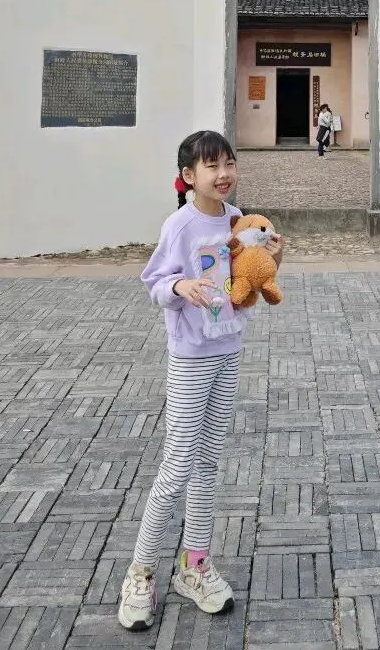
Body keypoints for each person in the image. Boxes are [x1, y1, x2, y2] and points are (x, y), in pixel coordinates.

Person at [118, 130, 284, 631]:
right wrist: (180, 285)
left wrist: (275, 257)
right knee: (177, 465)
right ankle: (140, 573)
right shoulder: (180, 225)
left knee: (209, 462)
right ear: (189, 176)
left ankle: (194, 566)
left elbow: (251, 274)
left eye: (229, 162)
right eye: (212, 166)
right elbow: (154, 282)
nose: (224, 173)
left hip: (228, 348)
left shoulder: (238, 219)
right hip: (191, 356)